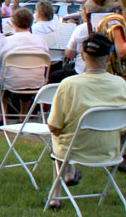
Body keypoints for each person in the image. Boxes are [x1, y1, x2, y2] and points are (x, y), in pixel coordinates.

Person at [45, 33, 126, 209]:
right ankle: (67, 176)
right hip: (110, 150)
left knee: (58, 139)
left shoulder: (69, 85)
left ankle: (56, 196)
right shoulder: (121, 84)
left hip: (74, 150)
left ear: (82, 55)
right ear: (109, 56)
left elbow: (53, 126)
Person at [0, 7, 49, 121]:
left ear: (13, 23)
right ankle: (23, 113)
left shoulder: (7, 41)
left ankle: (1, 114)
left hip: (12, 82)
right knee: (28, 79)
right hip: (36, 80)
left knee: (0, 85)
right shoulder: (40, 40)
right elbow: (46, 59)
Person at [32, 0, 63, 74]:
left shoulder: (35, 27)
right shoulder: (58, 25)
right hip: (58, 62)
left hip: (41, 63)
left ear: (38, 13)